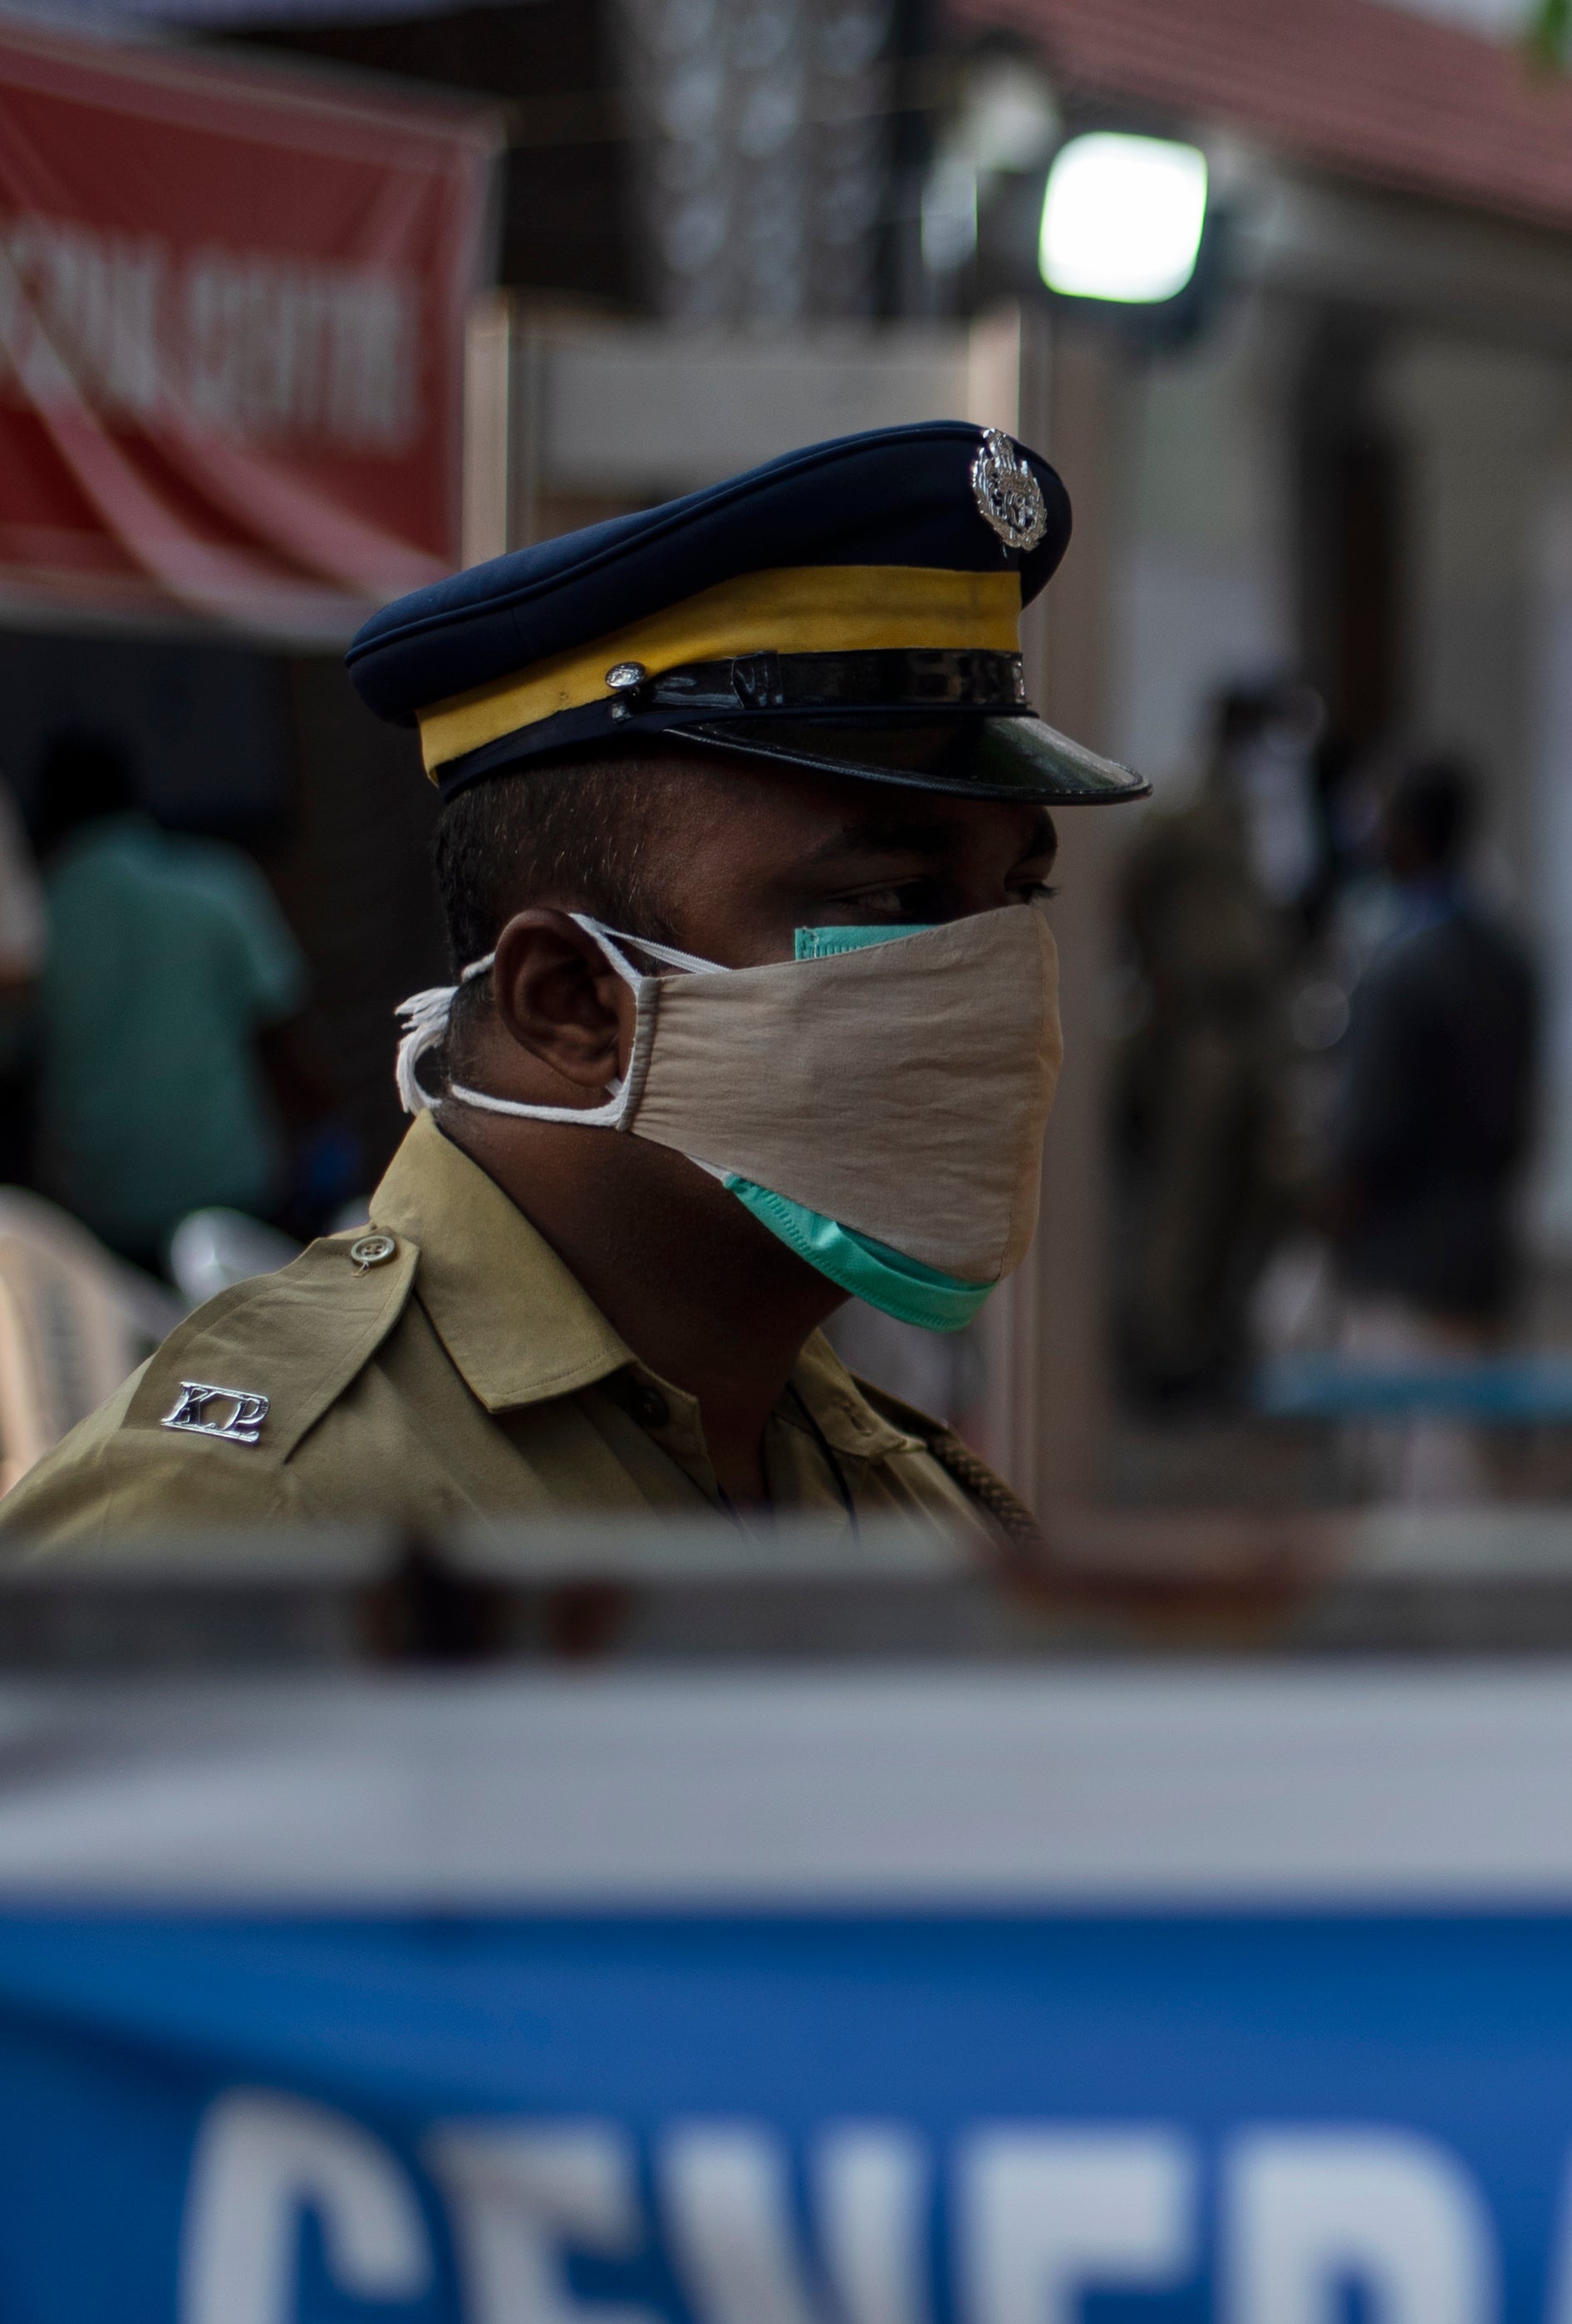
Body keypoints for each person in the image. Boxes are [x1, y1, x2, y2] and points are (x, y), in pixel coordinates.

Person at [0, 420, 1145, 1550]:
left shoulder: (898, 1498)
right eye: (895, 901)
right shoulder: (244, 1529)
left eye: (1021, 897)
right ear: (576, 1002)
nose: (992, 975)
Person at [1326, 755, 1540, 1505]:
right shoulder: (1512, 958)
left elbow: (1367, 1134)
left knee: (1420, 1475)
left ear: (1408, 836)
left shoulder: (1400, 970)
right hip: (1484, 1241)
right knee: (1473, 1452)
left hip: (1403, 1259)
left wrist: (1333, 1222)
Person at [22, 726, 313, 1270]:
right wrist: (319, 1145)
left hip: (103, 1209)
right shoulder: (215, 885)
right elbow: (281, 1034)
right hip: (233, 1186)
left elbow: (18, 1067)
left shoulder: (36, 924)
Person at [1114, 682, 1308, 1417]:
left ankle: (1219, 1340)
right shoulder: (1185, 812)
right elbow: (1129, 893)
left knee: (1257, 1194)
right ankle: (1166, 1352)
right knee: (1186, 1199)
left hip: (1255, 1025)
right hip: (1199, 1030)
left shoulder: (1261, 815)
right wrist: (1156, 980)